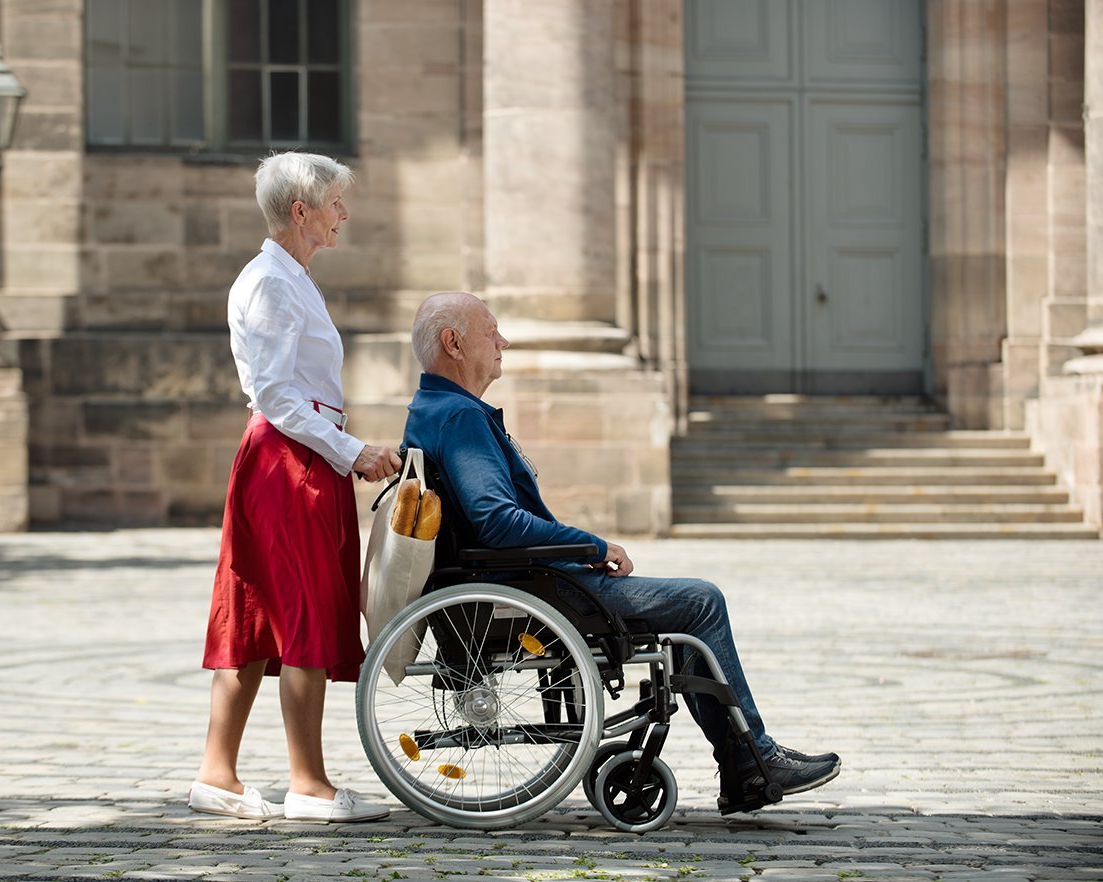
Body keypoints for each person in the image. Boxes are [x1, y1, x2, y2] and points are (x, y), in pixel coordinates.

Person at [402, 291, 840, 814]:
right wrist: (592, 545)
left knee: (684, 615)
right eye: (491, 331)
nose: (504, 341)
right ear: (454, 343)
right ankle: (752, 760)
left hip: (526, 580)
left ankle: (746, 760)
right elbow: (497, 522)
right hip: (532, 590)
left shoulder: (436, 409)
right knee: (700, 602)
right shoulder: (459, 418)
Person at [190, 152, 400, 823]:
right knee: (293, 611)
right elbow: (280, 394)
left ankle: (217, 775)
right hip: (290, 459)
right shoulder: (271, 284)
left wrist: (341, 449)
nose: (345, 214)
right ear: (301, 211)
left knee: (262, 611)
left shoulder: (288, 277)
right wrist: (352, 450)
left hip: (298, 453)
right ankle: (306, 784)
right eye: (336, 203)